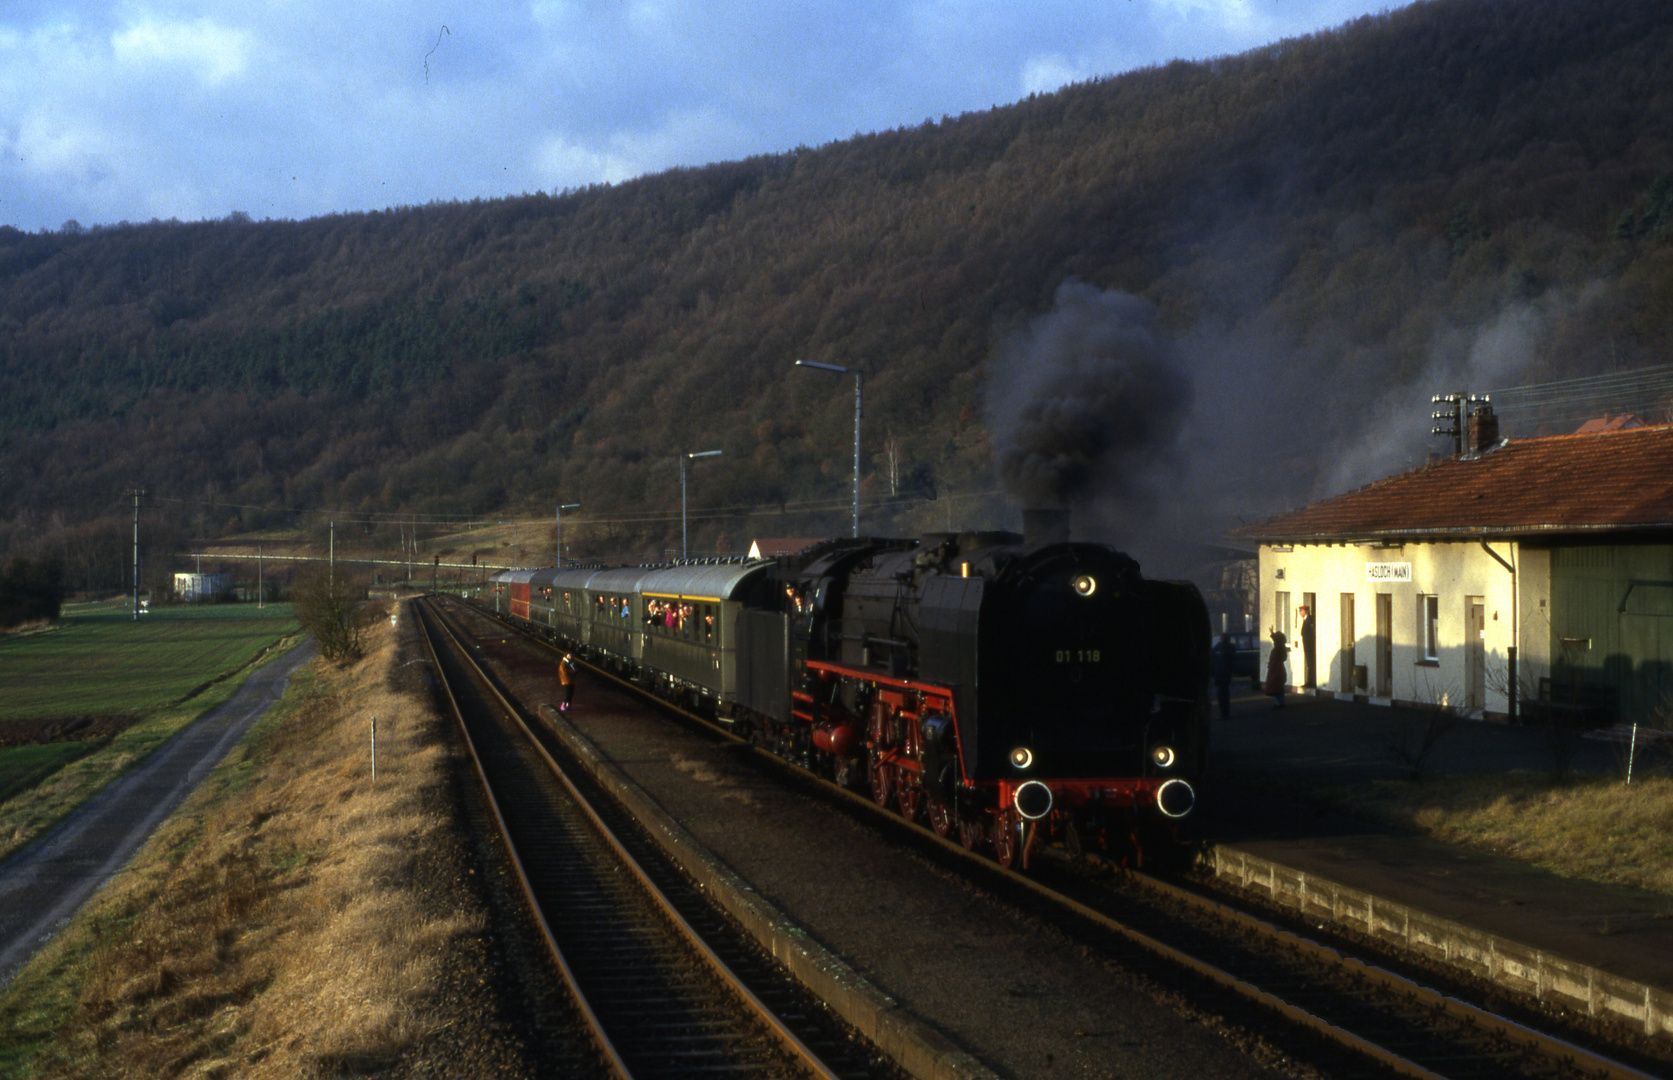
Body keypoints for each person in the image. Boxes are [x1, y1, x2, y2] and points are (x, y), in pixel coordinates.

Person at [1211, 632, 1238, 721]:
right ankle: (1225, 713)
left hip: (1221, 673)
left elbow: (1213, 653)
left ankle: (1224, 714)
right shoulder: (1232, 647)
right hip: (1227, 673)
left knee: (1221, 695)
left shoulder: (1222, 647)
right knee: (1225, 694)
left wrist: (1219, 644)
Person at [1263, 629, 1289, 708]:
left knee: (1276, 685)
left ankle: (1280, 703)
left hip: (1276, 668)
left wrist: (1272, 634)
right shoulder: (1282, 647)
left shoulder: (1278, 647)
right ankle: (1280, 703)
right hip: (1277, 667)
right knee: (1278, 685)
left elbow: (1276, 641)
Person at [1299, 605, 1316, 688]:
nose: (1299, 612)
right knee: (1309, 664)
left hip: (1310, 646)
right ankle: (1309, 681)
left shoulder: (1309, 620)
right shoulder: (1305, 620)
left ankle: (1311, 682)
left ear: (1305, 611)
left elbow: (1310, 633)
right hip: (1307, 646)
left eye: (1301, 610)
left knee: (1311, 664)